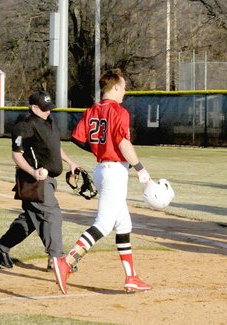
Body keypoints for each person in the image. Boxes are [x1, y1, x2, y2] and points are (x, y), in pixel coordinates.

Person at [52, 69, 153, 294]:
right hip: (114, 171)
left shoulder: (92, 110)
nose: (125, 91)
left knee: (124, 225)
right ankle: (66, 262)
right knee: (104, 224)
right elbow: (124, 144)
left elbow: (78, 139)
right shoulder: (119, 111)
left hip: (102, 169)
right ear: (115, 87)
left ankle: (131, 277)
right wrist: (141, 169)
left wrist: (99, 148)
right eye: (123, 87)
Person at [0, 91, 79, 271]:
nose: (48, 112)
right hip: (33, 181)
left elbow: (54, 147)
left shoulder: (49, 121)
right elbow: (16, 155)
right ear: (34, 107)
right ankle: (57, 259)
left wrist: (70, 162)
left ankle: (0, 248)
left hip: (48, 180)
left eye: (50, 108)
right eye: (44, 109)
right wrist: (33, 172)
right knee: (52, 215)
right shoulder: (25, 126)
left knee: (30, 219)